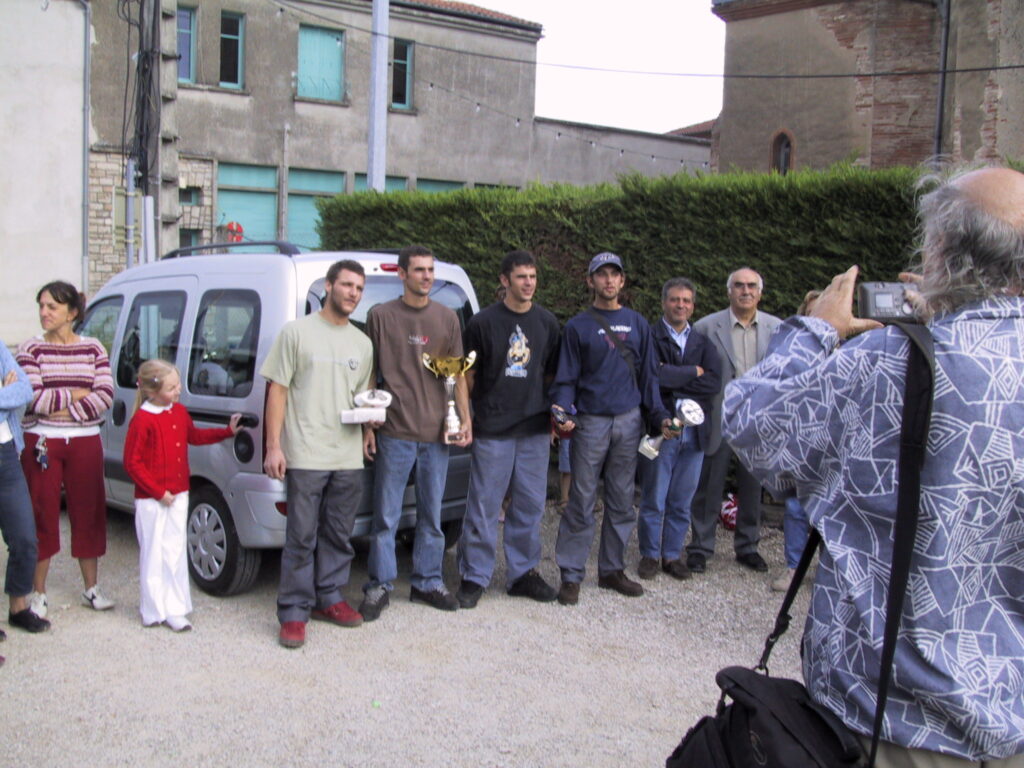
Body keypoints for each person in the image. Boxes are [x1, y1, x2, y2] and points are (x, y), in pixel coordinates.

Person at [722, 165, 1024, 767]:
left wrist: (814, 330)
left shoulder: (886, 362)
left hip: (890, 723)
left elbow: (753, 423)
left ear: (939, 247)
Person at [261, 259, 374, 649]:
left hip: (347, 456)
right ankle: (294, 611)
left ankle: (330, 598)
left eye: (359, 288)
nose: (353, 293)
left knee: (339, 535)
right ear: (328, 286)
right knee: (301, 537)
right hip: (306, 453)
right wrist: (273, 446)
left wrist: (368, 430)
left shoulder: (362, 343)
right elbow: (277, 390)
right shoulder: (296, 332)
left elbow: (363, 397)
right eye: (346, 285)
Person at [550, 252, 672, 605]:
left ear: (622, 281)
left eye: (614, 274)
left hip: (629, 421)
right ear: (590, 281)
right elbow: (566, 378)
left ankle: (611, 570)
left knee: (621, 500)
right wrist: (561, 410)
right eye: (601, 274)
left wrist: (660, 416)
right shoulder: (577, 326)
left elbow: (649, 377)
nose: (608, 280)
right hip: (590, 422)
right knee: (581, 500)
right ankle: (571, 574)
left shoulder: (638, 323)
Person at [360, 245, 470, 620]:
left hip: (437, 435)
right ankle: (379, 585)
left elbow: (456, 373)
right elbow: (370, 374)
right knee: (386, 518)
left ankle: (427, 582)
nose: (427, 276)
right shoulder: (380, 316)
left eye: (430, 270)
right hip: (394, 432)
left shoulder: (447, 318)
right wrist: (369, 425)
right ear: (402, 274)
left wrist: (465, 419)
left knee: (431, 517)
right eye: (419, 270)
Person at [455, 251, 561, 608]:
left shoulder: (547, 323)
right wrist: (467, 417)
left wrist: (552, 418)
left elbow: (551, 376)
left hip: (534, 429)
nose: (528, 283)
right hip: (493, 429)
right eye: (521, 277)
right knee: (484, 507)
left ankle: (522, 574)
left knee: (529, 506)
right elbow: (466, 376)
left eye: (532, 276)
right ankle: (474, 575)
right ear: (504, 280)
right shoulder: (482, 323)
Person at [17, 281, 114, 619]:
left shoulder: (94, 348)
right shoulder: (30, 349)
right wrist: (77, 394)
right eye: (41, 306)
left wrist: (63, 405)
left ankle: (91, 588)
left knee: (89, 510)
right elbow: (34, 398)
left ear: (72, 313)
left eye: (52, 307)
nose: (44, 313)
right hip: (42, 441)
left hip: (85, 440)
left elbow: (105, 395)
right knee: (40, 512)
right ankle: (38, 593)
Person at [123, 359, 240, 632]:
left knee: (175, 550)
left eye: (177, 386)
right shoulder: (142, 419)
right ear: (153, 390)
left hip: (178, 493)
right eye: (172, 387)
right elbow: (132, 462)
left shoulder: (178, 412)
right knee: (153, 551)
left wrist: (227, 432)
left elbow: (194, 436)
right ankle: (153, 609)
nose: (178, 391)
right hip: (152, 499)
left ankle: (175, 608)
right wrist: (157, 491)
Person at [685, 268, 781, 575]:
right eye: (739, 285)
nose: (745, 291)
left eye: (752, 286)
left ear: (760, 293)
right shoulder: (705, 327)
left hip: (756, 421)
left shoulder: (777, 329)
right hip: (719, 417)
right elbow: (693, 374)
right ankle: (700, 546)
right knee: (708, 485)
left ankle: (748, 546)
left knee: (753, 486)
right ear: (729, 291)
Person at [637, 278, 721, 581]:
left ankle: (671, 555)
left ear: (693, 306)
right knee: (654, 498)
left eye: (686, 300)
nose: (680, 305)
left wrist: (672, 377)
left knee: (682, 501)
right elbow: (651, 378)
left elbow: (713, 382)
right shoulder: (650, 337)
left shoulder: (703, 342)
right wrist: (691, 372)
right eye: (674, 299)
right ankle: (649, 554)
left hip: (695, 435)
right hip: (662, 430)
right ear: (664, 303)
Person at [1, 341, 50, 662]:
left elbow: (25, 389)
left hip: (6, 454)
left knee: (24, 538)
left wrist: (9, 392)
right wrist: (5, 394)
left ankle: (18, 608)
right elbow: (13, 394)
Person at [771, 288, 820, 593]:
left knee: (829, 512)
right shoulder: (789, 351)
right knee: (795, 507)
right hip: (797, 439)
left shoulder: (848, 349)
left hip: (833, 442)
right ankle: (793, 567)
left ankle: (830, 573)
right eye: (811, 312)